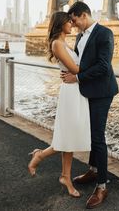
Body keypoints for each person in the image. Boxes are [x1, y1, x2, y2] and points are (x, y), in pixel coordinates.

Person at [61, 1, 119, 209]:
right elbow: (79, 64)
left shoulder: (105, 33)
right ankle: (93, 170)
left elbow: (104, 67)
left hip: (103, 92)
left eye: (75, 20)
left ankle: (102, 186)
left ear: (83, 15)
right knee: (90, 133)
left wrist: (77, 79)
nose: (74, 25)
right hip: (86, 91)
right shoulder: (79, 36)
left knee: (97, 136)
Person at [28, 11, 91, 198]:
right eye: (69, 22)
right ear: (61, 24)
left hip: (76, 91)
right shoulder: (57, 44)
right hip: (70, 93)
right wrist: (95, 66)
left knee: (69, 136)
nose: (72, 24)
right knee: (66, 136)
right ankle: (39, 156)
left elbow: (76, 70)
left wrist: (81, 72)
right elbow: (74, 69)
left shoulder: (65, 43)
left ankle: (65, 176)